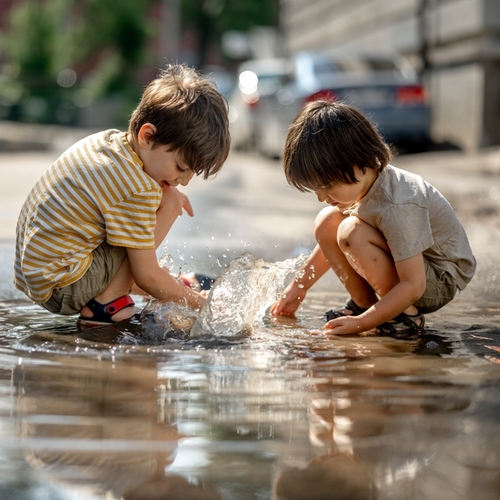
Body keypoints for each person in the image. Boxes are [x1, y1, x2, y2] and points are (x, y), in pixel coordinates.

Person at [14, 63, 230, 327]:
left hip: (36, 273)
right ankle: (107, 304)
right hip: (62, 286)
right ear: (147, 136)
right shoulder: (136, 186)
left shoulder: (109, 144)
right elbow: (146, 276)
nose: (183, 180)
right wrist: (203, 305)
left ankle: (162, 284)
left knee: (151, 215)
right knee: (170, 202)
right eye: (181, 167)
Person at [271, 100, 476, 335]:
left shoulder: (398, 201)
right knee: (328, 221)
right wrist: (298, 286)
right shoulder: (364, 185)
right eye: (315, 189)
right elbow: (327, 243)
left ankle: (405, 317)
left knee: (351, 232)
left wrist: (361, 325)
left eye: (326, 186)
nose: (321, 197)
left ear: (359, 164)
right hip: (413, 271)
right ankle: (363, 303)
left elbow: (414, 285)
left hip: (438, 278)